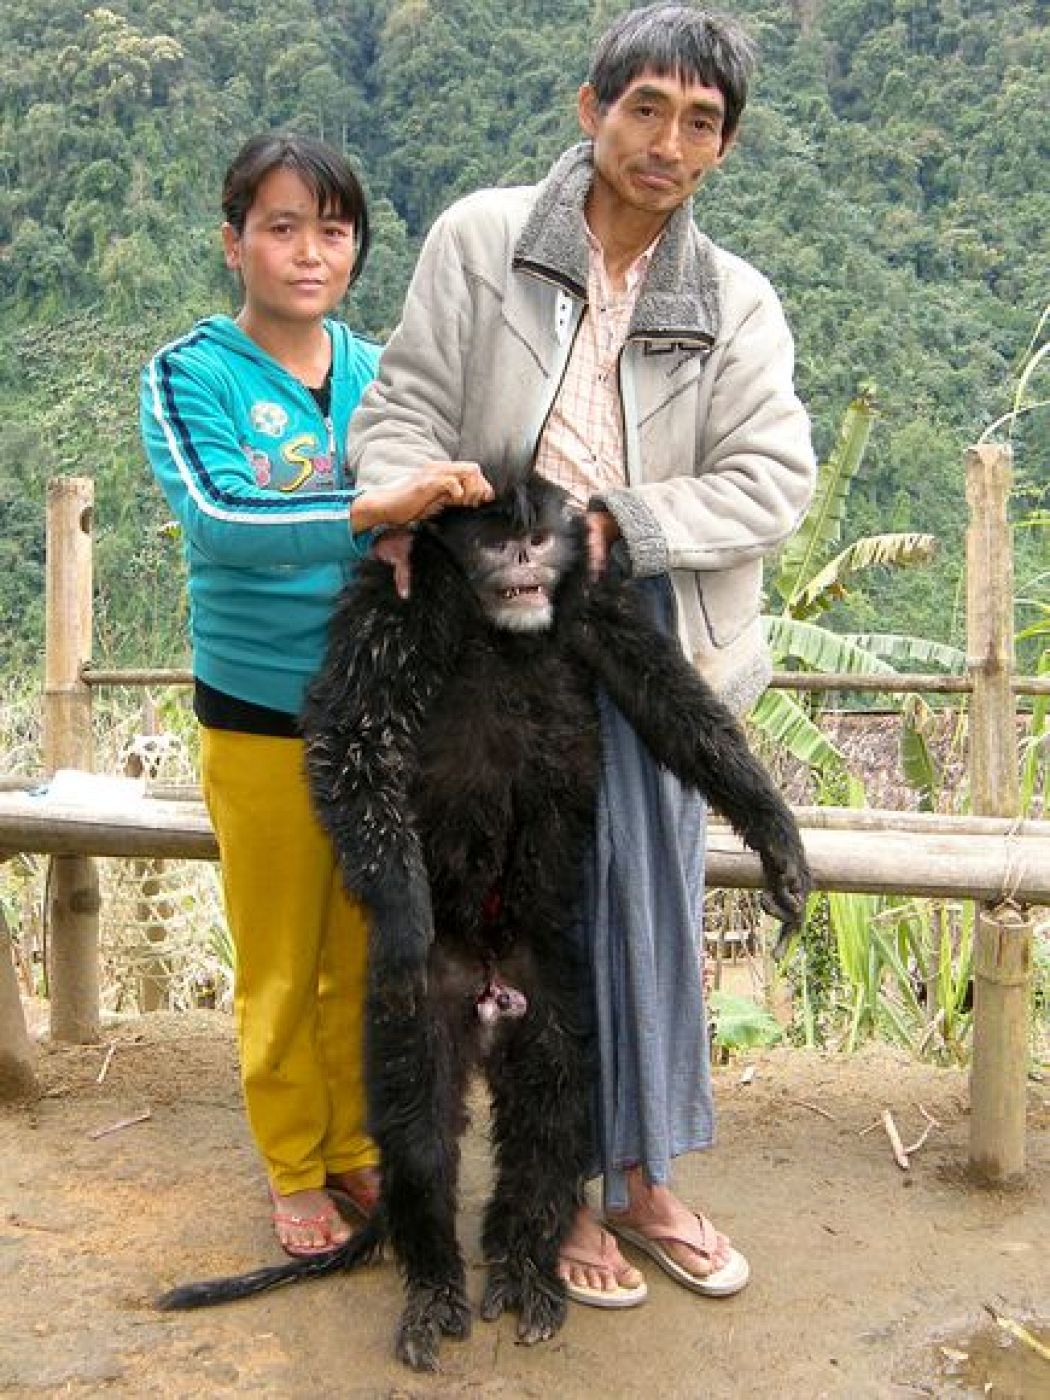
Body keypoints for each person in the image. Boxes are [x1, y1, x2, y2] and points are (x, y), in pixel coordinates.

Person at [347, 5, 816, 1306]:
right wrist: (405, 493)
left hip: (640, 627)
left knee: (648, 909)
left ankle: (643, 1175)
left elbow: (772, 477)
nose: (667, 142)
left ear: (722, 147)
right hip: (494, 634)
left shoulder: (731, 302)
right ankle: (546, 1194)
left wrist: (626, 522)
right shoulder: (483, 241)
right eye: (645, 109)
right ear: (589, 109)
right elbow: (400, 408)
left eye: (699, 122)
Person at [140, 132, 491, 1259]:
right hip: (259, 715)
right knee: (285, 957)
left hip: (382, 715)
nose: (308, 251)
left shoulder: (382, 368)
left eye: (332, 231)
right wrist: (367, 507)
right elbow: (220, 519)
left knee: (367, 948)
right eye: (281, 226)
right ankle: (294, 1162)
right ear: (232, 239)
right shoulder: (189, 373)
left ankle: (353, 1140)